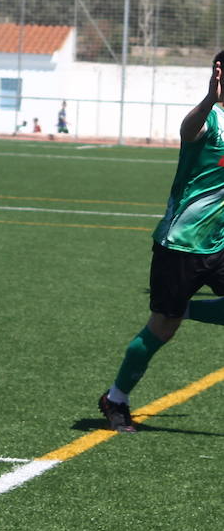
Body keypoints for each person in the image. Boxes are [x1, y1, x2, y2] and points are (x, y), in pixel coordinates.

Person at [98, 50, 224, 433]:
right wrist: (208, 99)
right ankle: (115, 398)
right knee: (162, 328)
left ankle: (184, 310)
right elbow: (188, 130)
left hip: (218, 244)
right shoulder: (211, 121)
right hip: (180, 244)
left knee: (173, 317)